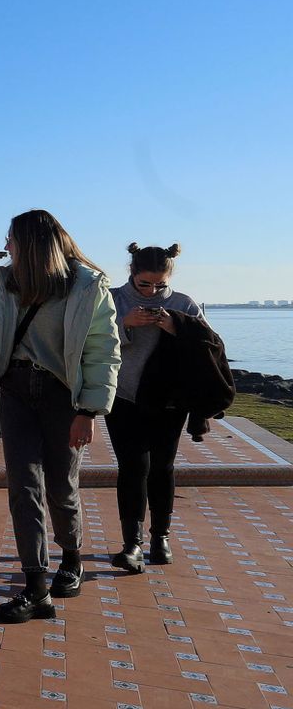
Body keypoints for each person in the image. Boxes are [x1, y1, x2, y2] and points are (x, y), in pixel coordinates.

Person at [0, 210, 119, 624]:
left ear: (33, 245)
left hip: (62, 397)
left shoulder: (87, 288)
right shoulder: (8, 284)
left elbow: (103, 352)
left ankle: (72, 559)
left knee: (61, 485)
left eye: (12, 241)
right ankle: (36, 587)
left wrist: (89, 410)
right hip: (15, 391)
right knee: (23, 487)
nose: (6, 248)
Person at [105, 243, 230, 572]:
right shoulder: (112, 299)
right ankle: (131, 544)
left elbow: (209, 345)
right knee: (132, 467)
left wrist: (177, 327)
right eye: (145, 283)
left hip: (169, 401)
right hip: (123, 396)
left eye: (160, 284)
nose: (152, 291)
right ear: (132, 273)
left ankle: (160, 537)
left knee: (162, 468)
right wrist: (125, 324)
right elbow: (91, 343)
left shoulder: (182, 303)